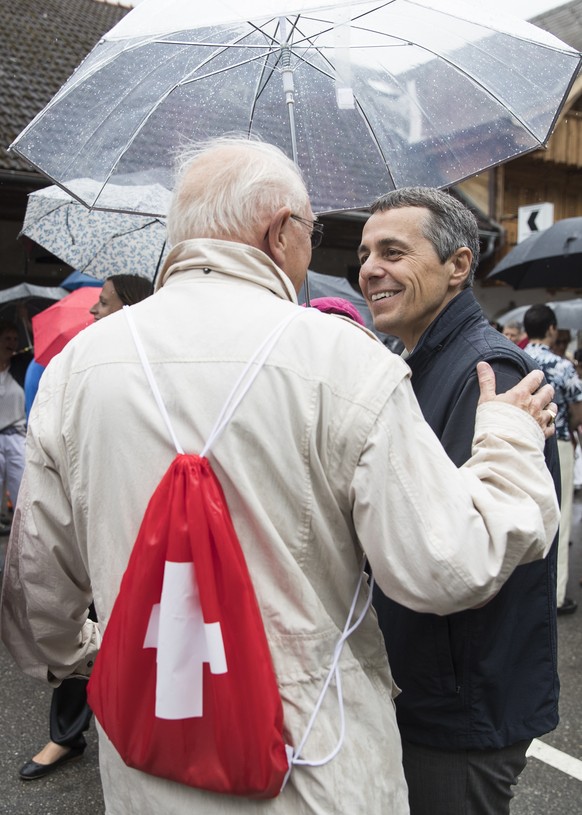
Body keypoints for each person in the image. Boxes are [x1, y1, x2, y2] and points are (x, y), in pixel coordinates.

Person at [0, 137, 558, 815]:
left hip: (147, 762)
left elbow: (37, 605)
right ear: (281, 231)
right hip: (311, 765)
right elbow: (445, 563)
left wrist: (94, 648)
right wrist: (510, 440)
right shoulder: (341, 359)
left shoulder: (77, 368)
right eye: (317, 234)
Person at [357, 186, 561, 815]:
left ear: (457, 266)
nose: (370, 269)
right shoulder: (418, 360)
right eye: (364, 252)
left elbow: (463, 543)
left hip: (460, 698)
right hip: (431, 685)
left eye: (394, 250)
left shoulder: (486, 371)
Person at [18, 274, 153, 781]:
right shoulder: (79, 367)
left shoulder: (156, 370)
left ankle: (139, 734)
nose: (92, 314)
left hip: (150, 522)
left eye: (103, 304)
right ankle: (65, 736)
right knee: (84, 617)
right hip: (90, 514)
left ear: (131, 309)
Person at [523, 304, 582, 616]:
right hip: (555, 443)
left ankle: (525, 591)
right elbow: (578, 411)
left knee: (526, 512)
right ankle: (555, 596)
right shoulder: (562, 366)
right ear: (550, 330)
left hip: (521, 442)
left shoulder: (517, 357)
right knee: (556, 515)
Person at [0, 321, 26, 534]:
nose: (11, 343)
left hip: (16, 436)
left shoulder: (20, 367)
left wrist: (23, 318)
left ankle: (21, 532)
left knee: (21, 486)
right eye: (7, 338)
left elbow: (37, 348)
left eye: (15, 339)